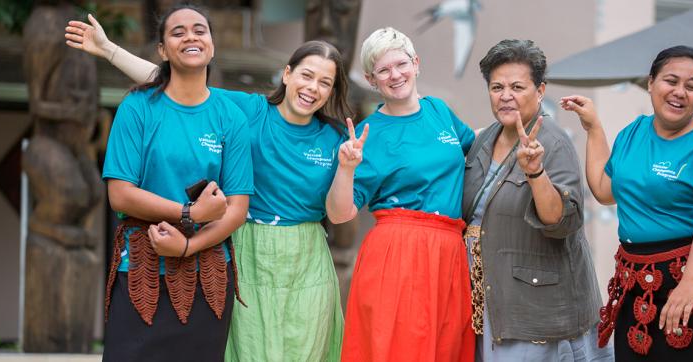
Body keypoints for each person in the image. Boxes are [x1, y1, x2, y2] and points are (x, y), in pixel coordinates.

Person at [66, 16, 356, 362]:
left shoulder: (338, 139)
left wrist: (348, 168)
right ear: (288, 73)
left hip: (306, 258)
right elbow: (179, 85)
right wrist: (110, 50)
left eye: (326, 82)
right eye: (307, 75)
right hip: (249, 245)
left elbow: (339, 213)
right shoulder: (248, 111)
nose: (313, 88)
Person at [562, 45, 693, 361]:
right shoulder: (631, 134)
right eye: (670, 81)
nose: (680, 92)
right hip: (638, 283)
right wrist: (593, 128)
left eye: (691, 86)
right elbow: (604, 189)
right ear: (651, 83)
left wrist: (689, 286)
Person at [96, 4, 253, 361]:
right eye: (177, 32)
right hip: (140, 268)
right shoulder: (138, 107)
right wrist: (189, 211)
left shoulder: (231, 118)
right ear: (163, 51)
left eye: (200, 30)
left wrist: (187, 245)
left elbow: (237, 209)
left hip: (209, 274)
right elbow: (120, 195)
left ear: (212, 45)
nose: (191, 36)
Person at [325, 27, 476, 362]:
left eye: (401, 64)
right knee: (401, 349)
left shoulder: (438, 110)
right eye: (383, 70)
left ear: (416, 63)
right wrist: (346, 168)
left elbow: (476, 145)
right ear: (371, 78)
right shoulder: (369, 134)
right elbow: (339, 214)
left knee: (447, 347)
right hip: (399, 253)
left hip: (449, 251)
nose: (395, 75)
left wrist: (516, 120)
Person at [462, 39, 612, 361]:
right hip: (486, 299)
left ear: (540, 90)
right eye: (496, 87)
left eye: (517, 86)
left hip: (533, 306)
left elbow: (561, 222)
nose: (505, 96)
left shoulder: (553, 143)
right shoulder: (484, 139)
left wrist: (536, 172)